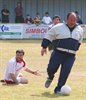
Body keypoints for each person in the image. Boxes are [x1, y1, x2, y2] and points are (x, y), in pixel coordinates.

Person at [41, 12, 83, 94]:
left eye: (74, 20)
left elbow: (79, 41)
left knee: (65, 72)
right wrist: (44, 46)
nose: (73, 22)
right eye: (71, 20)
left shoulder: (80, 29)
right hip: (58, 53)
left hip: (70, 56)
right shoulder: (58, 27)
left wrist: (75, 48)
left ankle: (58, 89)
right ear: (67, 19)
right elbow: (49, 35)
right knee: (51, 68)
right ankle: (50, 77)